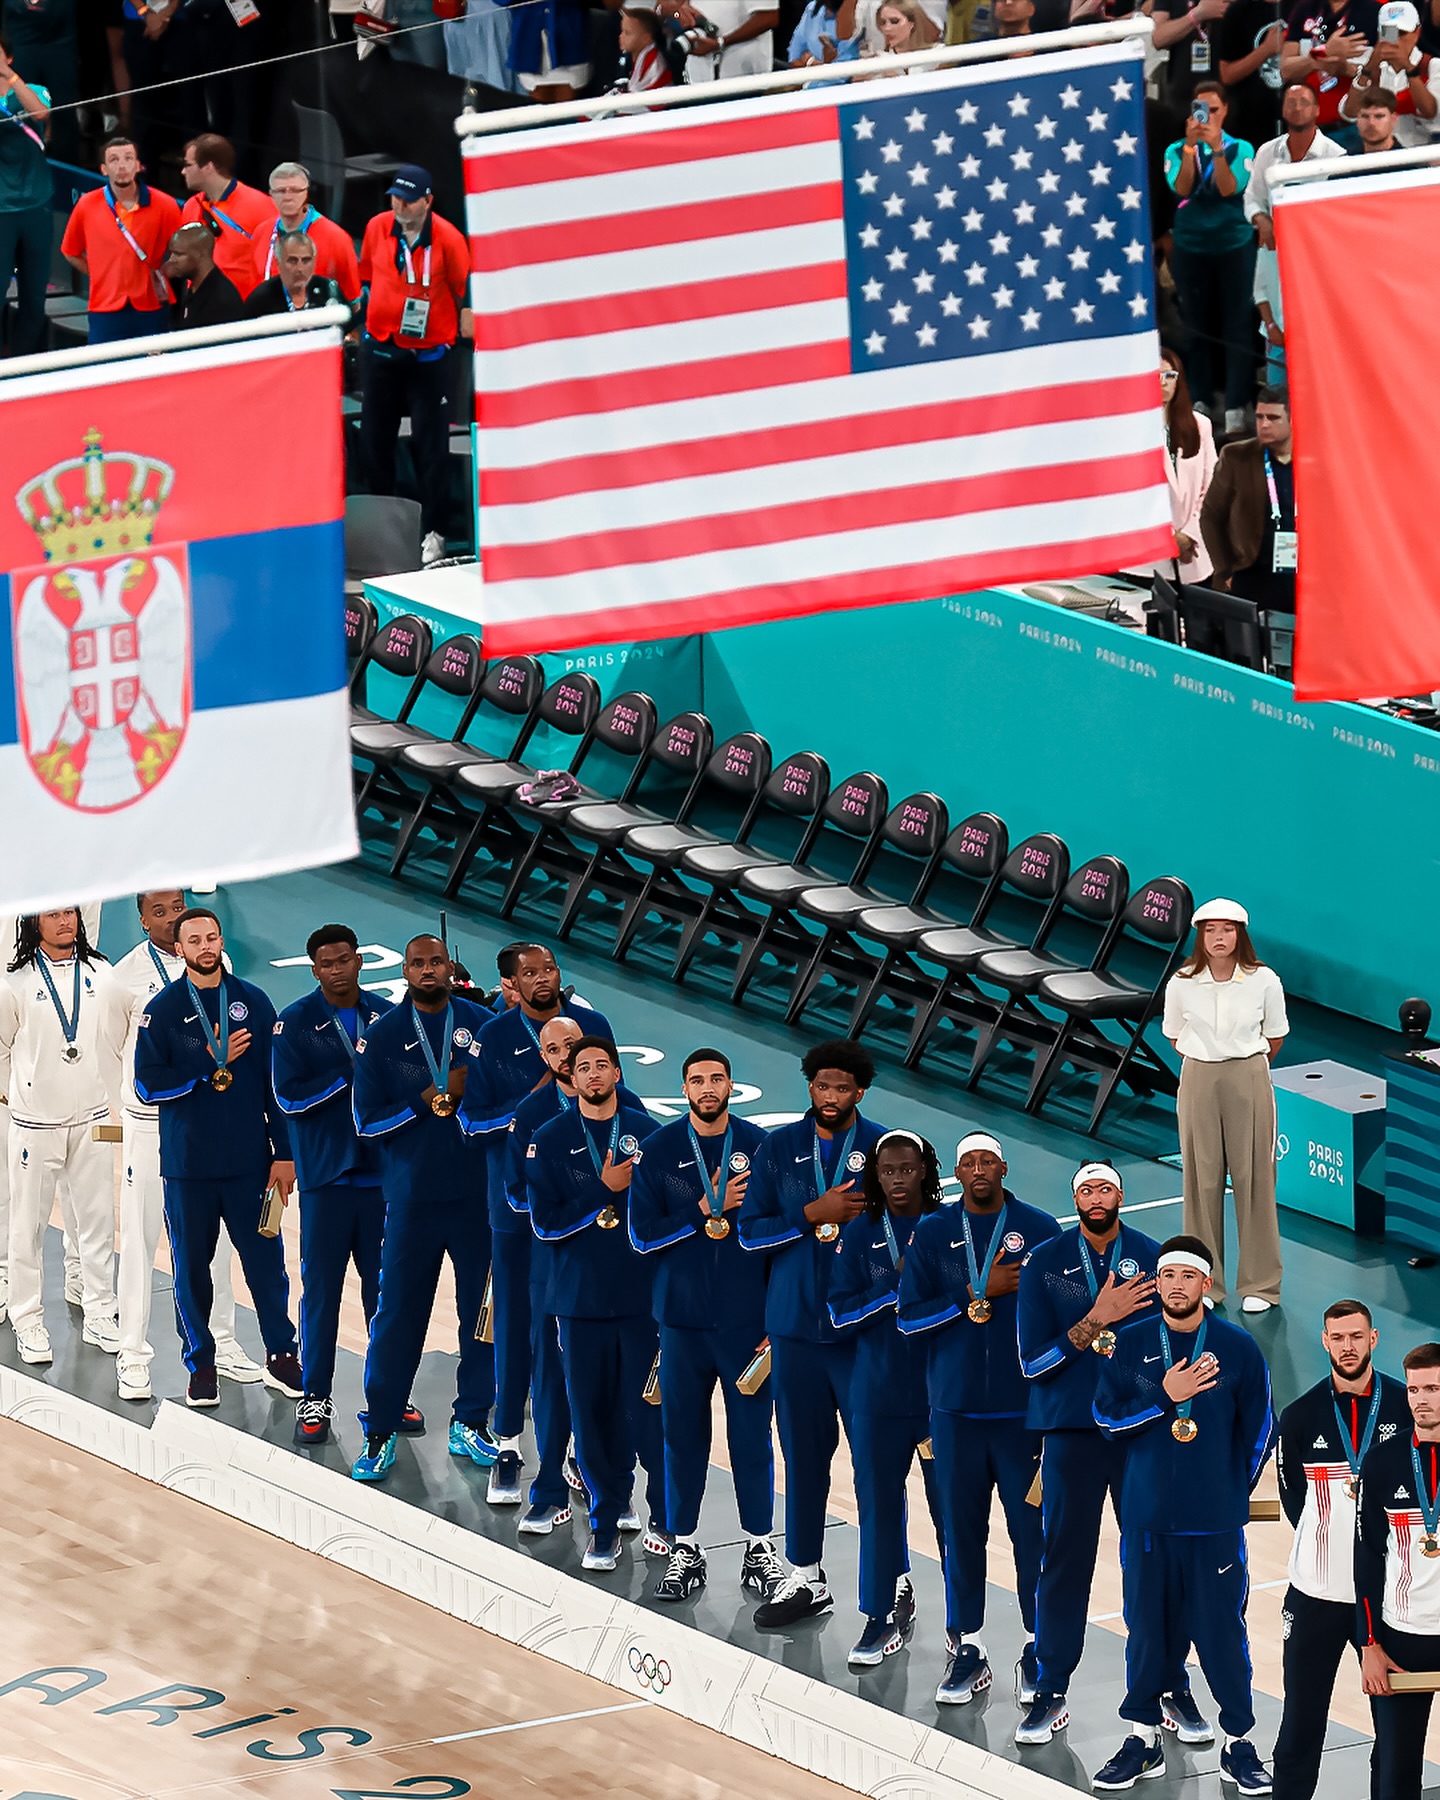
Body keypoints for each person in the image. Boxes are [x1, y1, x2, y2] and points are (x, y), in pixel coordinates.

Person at [1016, 1165, 1212, 1748]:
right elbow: (1033, 1364)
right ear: (1073, 1198)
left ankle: (1169, 1681)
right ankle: (1050, 1687)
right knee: (1064, 1563)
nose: (1096, 1200)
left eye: (1105, 1190)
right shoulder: (1045, 1264)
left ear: (1121, 1197)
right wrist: (1097, 1317)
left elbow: (1182, 1344)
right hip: (1071, 1434)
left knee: (1155, 1564)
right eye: (1085, 1191)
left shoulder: (1158, 1261)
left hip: (1141, 1434)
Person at [1092, 1236, 1275, 1795]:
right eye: (1166, 1275)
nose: (1175, 1285)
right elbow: (1105, 1418)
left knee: (1223, 1634)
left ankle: (1238, 1744)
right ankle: (1143, 1737)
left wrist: (1228, 1490)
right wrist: (1163, 1399)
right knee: (1146, 1631)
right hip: (1147, 1521)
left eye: (1187, 1276)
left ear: (1205, 1284)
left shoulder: (1238, 1348)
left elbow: (1261, 1428)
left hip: (1215, 1525)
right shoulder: (1128, 1344)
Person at [898, 1132, 1062, 1705]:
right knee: (960, 1534)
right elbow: (908, 1319)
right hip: (955, 1414)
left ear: (1003, 1167)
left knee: (1031, 1535)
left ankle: (1038, 1646)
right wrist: (972, 1292)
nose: (978, 1170)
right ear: (957, 1174)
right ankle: (968, 1646)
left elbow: (1065, 1323)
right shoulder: (934, 1232)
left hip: (1023, 1417)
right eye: (968, 1162)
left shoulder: (1041, 1232)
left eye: (987, 1161)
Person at [737, 1039, 886, 1627]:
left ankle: (891, 1581)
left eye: (842, 1088)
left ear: (860, 1092)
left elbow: (909, 1237)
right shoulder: (778, 1149)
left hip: (861, 1335)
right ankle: (805, 1576)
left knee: (876, 1463)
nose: (830, 1097)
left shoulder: (883, 1150)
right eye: (822, 1087)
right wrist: (809, 1217)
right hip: (795, 1329)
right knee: (802, 1456)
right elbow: (749, 1234)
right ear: (809, 1088)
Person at [133, 908, 302, 1409]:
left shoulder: (253, 1001)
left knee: (267, 1265)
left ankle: (280, 1354)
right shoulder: (161, 1011)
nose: (205, 946)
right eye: (194, 940)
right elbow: (147, 1085)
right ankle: (201, 1363)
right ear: (178, 949)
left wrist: (286, 1154)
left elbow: (278, 1085)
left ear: (221, 940)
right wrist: (208, 1062)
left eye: (211, 937)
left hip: (251, 1164)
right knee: (191, 1268)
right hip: (188, 1167)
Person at [461, 944, 612, 1502]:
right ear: (510, 984)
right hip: (516, 1212)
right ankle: (508, 1443)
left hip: (585, 1219)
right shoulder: (496, 1037)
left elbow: (613, 1104)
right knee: (516, 1326)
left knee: (578, 1334)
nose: (544, 979)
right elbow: (471, 1120)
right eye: (530, 974)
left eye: (549, 969)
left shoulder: (592, 1023)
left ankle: (575, 1449)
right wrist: (528, 1106)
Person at [630, 1048, 782, 1604]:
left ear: (732, 1085)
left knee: (751, 1438)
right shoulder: (659, 1150)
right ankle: (684, 1547)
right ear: (685, 1088)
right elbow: (642, 1236)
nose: (708, 1088)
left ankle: (760, 1549)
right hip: (682, 1324)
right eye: (697, 1080)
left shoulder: (762, 1150)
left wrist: (776, 1318)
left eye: (717, 1078)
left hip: (747, 1326)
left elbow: (780, 1235)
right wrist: (701, 1211)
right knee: (683, 1437)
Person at [349, 934, 497, 1482]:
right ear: (405, 971)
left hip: (477, 1199)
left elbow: (507, 1106)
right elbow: (367, 1122)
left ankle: (472, 1420)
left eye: (436, 962)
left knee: (481, 1316)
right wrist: (427, 1099)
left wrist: (466, 1103)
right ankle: (381, 1428)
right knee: (397, 1318)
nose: (427, 970)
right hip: (411, 1201)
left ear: (449, 967)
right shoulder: (382, 1037)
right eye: (418, 963)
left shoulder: (482, 1027)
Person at [111, 890, 258, 1403]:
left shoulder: (216, 960)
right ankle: (132, 1351)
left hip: (202, 1126)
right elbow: (116, 1052)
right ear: (143, 920)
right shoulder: (122, 977)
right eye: (161, 912)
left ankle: (222, 1342)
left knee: (208, 1244)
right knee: (140, 1238)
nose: (174, 919)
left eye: (179, 907)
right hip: (150, 1124)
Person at [527, 1035, 664, 1571]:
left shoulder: (649, 1136)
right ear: (571, 1075)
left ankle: (663, 1519)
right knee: (588, 1414)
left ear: (616, 1072)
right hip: (578, 1301)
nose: (592, 1075)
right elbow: (545, 1222)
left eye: (602, 1066)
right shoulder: (550, 1138)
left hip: (639, 1300)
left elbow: (662, 1219)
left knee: (643, 1413)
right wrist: (603, 1191)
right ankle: (604, 1525)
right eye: (582, 1067)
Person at [1271, 1300, 1409, 1800]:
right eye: (1337, 1337)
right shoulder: (1301, 1415)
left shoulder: (1403, 1406)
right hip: (1316, 1597)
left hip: (1390, 1603)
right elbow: (1293, 1501)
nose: (1347, 1346)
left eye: (1356, 1336)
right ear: (1324, 1342)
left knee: (1393, 1735)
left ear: (1373, 1339)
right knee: (1301, 1726)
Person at [272, 924, 396, 1449]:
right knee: (320, 1294)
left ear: (359, 961)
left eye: (344, 959)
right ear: (315, 969)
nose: (337, 969)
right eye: (326, 963)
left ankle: (388, 1393)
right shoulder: (294, 1023)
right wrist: (350, 1076)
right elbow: (287, 1096)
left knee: (385, 1294)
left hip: (380, 1177)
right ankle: (316, 1396)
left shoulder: (388, 1017)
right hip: (326, 1177)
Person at [829, 1131, 945, 1666]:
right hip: (875, 1398)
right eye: (888, 1170)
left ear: (925, 1171)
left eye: (907, 1169)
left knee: (953, 1517)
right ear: (877, 1176)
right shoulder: (859, 1233)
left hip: (940, 1400)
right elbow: (838, 1312)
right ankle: (879, 1618)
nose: (898, 1178)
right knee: (877, 1509)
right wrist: (893, 1291)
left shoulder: (951, 1231)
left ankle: (965, 1634)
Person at [0, 910, 126, 1365]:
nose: (64, 921)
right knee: (27, 1229)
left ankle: (99, 1310)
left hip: (91, 1119)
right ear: (34, 924)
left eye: (70, 912)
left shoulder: (102, 974)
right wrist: (15, 1097)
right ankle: (28, 1318)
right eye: (52, 914)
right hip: (34, 1126)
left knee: (96, 1224)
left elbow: (120, 1038)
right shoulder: (14, 984)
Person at [1163, 898, 1287, 1314]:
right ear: (1200, 935)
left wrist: (1242, 1065)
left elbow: (1275, 1037)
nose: (1219, 938)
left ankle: (1261, 1284)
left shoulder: (1264, 980)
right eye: (1211, 931)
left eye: (1228, 930)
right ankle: (1205, 1281)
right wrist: (1209, 1059)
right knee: (1201, 1180)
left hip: (1248, 1075)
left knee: (1255, 1179)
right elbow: (1175, 1033)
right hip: (1198, 1076)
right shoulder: (1181, 981)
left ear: (1241, 935)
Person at [358, 165, 472, 569]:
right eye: (395, 197)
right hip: (384, 352)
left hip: (430, 358)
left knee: (431, 450)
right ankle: (382, 530)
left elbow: (462, 287)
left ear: (428, 201)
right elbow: (367, 276)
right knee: (374, 443)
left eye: (407, 199)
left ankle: (434, 533)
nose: (399, 205)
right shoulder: (376, 227)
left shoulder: (449, 240)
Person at [501, 1016, 584, 1531]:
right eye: (554, 1049)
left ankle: (609, 1493)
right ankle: (549, 1487)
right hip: (553, 1266)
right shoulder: (531, 1114)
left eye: (573, 1044)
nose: (566, 1055)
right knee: (550, 1376)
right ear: (546, 1058)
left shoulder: (632, 1113)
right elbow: (515, 1193)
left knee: (610, 1382)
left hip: (613, 1272)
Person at [1357, 1342, 1440, 1800]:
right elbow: (1367, 1557)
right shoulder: (1383, 1461)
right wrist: (1369, 1643)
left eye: (1432, 1388)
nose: (1420, 1399)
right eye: (1413, 1389)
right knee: (1395, 1773)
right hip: (1401, 1637)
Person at [1163, 80, 1258, 437]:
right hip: (1191, 246)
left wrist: (1217, 150)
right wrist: (1191, 148)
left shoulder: (1241, 147)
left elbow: (1228, 188)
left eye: (1213, 110)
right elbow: (1182, 188)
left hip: (1234, 244)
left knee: (1238, 324)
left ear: (1226, 111)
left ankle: (1236, 404)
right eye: (1200, 111)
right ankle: (1200, 398)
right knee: (1195, 326)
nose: (1206, 117)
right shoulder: (1176, 149)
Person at [1243, 82, 1344, 381]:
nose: (1297, 108)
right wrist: (1261, 219)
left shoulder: (1336, 157)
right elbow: (1252, 197)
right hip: (1276, 255)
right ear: (1283, 109)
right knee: (1278, 381)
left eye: (1304, 101)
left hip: (1320, 261)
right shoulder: (1266, 153)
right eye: (1291, 102)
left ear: (1316, 109)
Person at [60, 133, 180, 343]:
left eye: (128, 159)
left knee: (152, 371)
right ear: (104, 169)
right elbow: (70, 251)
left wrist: (167, 270)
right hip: (105, 307)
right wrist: (100, 274)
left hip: (151, 306)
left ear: (138, 165)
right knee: (104, 371)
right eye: (114, 160)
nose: (122, 166)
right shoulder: (87, 205)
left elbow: (184, 250)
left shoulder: (165, 205)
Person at [1200, 384, 1297, 610]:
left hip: (1302, 577)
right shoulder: (1236, 456)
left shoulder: (1317, 460)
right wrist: (1224, 569)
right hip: (1250, 573)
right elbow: (1211, 516)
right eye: (1259, 417)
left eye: (1273, 418)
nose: (1264, 424)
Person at [0, 32, 52, 359]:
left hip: (36, 207)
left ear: (10, 57)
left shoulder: (32, 90)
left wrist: (8, 76)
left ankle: (24, 363)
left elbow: (41, 114)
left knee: (34, 296)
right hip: (1, 210)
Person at [178, 132, 275, 301]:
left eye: (188, 165)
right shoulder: (191, 207)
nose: (183, 171)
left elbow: (273, 263)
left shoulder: (261, 206)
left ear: (208, 167)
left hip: (242, 307)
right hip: (200, 305)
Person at [252, 160, 360, 301]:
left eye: (296, 190)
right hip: (272, 317)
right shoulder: (261, 233)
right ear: (271, 195)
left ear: (307, 193)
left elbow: (352, 300)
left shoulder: (336, 237)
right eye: (281, 191)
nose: (288, 197)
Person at [1158, 349, 1218, 582]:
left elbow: (1210, 486)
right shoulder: (1131, 429)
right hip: (1148, 557)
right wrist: (1169, 539)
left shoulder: (1200, 425)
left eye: (1170, 375)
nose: (1163, 383)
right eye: (1156, 376)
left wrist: (1188, 535)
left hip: (1192, 551)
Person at [1280, 0, 1381, 138]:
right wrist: (1323, 54)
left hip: (1356, 126)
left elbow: (1386, 73)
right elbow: (1286, 70)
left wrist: (1345, 69)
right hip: (1308, 128)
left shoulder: (1374, 11)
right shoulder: (1304, 8)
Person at [1338, 0, 1436, 135]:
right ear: (1379, 33)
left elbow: (1431, 113)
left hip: (1420, 148)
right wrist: (1368, 69)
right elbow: (1350, 112)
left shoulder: (1433, 65)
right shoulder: (1365, 61)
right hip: (1375, 147)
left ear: (1416, 33)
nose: (1395, 40)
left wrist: (1409, 68)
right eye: (1389, 32)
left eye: (1401, 33)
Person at [1218, 0, 1288, 150]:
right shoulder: (1238, 12)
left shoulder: (1303, 7)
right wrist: (1265, 50)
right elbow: (1227, 74)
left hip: (1296, 125)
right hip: (1248, 127)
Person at [656, 0, 778, 80]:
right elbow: (660, 9)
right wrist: (678, 13)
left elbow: (769, 17)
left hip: (743, 79)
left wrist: (721, 42)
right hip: (698, 77)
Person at [245, 230, 349, 320]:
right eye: (292, 261)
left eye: (306, 260)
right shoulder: (261, 299)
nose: (300, 268)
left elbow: (350, 331)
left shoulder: (328, 291)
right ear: (278, 263)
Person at [163, 221, 244, 330]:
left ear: (199, 255)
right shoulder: (193, 289)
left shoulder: (222, 301)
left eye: (178, 254)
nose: (172, 260)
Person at [609, 8, 679, 88]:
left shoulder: (654, 64)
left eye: (627, 33)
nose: (621, 36)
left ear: (646, 38)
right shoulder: (633, 58)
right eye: (622, 31)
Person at [788, 0, 861, 64]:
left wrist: (815, 63)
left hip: (845, 77)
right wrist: (810, 62)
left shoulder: (857, 13)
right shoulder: (811, 9)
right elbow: (794, 60)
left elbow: (845, 70)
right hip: (809, 77)